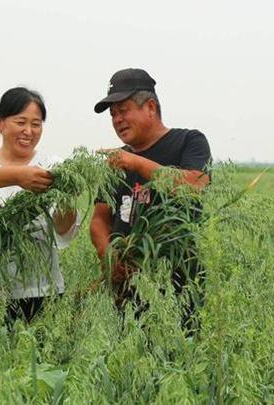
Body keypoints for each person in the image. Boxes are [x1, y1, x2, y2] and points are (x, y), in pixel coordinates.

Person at [90, 68, 211, 330]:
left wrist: (135, 161)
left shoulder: (188, 141)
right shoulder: (116, 161)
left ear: (151, 107)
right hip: (126, 293)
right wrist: (108, 256)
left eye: (123, 110)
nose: (117, 120)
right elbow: (99, 219)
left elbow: (194, 185)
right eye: (113, 115)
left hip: (179, 289)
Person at [0, 87, 79, 324]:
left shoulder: (53, 166)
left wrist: (68, 199)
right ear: (0, 123)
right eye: (20, 122)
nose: (28, 131)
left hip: (43, 290)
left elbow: (63, 232)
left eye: (36, 124)